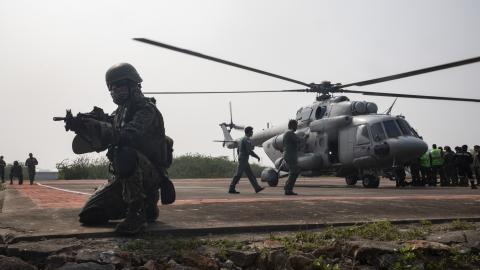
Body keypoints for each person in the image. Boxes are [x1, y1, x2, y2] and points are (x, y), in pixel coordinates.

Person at [65, 63, 176, 235]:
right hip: (125, 178)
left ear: (133, 85)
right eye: (112, 87)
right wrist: (83, 126)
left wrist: (99, 127)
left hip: (150, 173)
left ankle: (137, 213)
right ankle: (146, 207)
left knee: (124, 152)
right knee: (90, 215)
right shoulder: (119, 113)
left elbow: (128, 135)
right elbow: (106, 131)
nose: (115, 90)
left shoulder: (146, 110)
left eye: (120, 85)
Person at [228, 126, 265, 194]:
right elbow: (249, 151)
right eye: (251, 131)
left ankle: (257, 188)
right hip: (243, 159)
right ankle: (231, 188)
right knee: (238, 174)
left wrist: (240, 156)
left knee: (250, 174)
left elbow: (238, 149)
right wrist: (257, 156)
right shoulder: (247, 140)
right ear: (248, 132)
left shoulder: (242, 139)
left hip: (243, 158)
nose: (252, 133)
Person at [283, 119, 301, 195]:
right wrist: (305, 137)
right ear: (292, 126)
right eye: (296, 125)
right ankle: (288, 188)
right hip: (290, 155)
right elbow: (298, 140)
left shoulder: (288, 133)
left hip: (290, 155)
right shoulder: (290, 133)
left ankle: (288, 188)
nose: (297, 127)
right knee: (294, 172)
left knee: (293, 172)